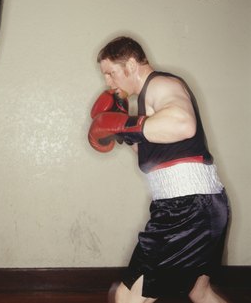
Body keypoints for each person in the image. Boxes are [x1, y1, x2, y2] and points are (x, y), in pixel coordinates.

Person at [88, 36, 230, 303]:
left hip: (186, 210)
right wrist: (122, 133)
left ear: (130, 65)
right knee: (199, 292)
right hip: (201, 206)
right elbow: (152, 155)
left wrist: (124, 125)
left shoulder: (161, 85)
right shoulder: (145, 102)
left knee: (127, 297)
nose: (108, 82)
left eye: (111, 73)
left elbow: (183, 124)